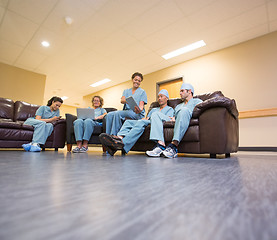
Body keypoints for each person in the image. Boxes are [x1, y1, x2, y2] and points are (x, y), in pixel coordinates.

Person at [99, 89, 173, 156]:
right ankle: (118, 138)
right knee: (128, 122)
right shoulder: (154, 109)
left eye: (161, 96)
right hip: (148, 121)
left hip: (156, 123)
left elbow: (169, 120)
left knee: (142, 122)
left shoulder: (170, 109)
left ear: (167, 98)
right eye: (158, 97)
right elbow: (146, 118)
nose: (159, 98)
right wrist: (142, 119)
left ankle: (122, 144)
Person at [146, 83, 203, 158]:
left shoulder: (197, 102)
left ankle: (173, 146)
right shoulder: (178, 106)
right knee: (155, 114)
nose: (180, 93)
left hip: (186, 119)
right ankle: (161, 146)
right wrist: (173, 118)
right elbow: (173, 117)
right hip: (174, 120)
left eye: (182, 91)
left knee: (184, 110)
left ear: (189, 91)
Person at [105, 72, 147, 136]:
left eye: (139, 81)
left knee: (117, 113)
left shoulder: (142, 92)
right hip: (126, 111)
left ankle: (114, 135)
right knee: (109, 115)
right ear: (132, 80)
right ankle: (107, 136)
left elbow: (141, 106)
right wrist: (128, 101)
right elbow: (122, 100)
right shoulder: (126, 91)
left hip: (137, 113)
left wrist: (139, 109)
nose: (137, 82)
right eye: (135, 80)